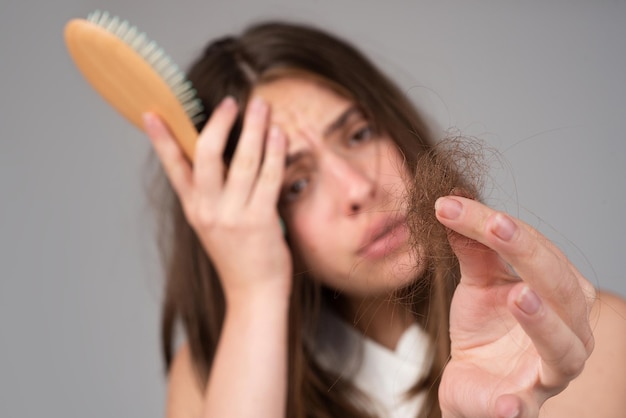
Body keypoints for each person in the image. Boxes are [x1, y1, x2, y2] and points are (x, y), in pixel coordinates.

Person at [141, 22, 626, 418]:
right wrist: (255, 292)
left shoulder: (575, 340)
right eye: (295, 185)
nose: (357, 189)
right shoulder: (212, 374)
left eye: (358, 134)